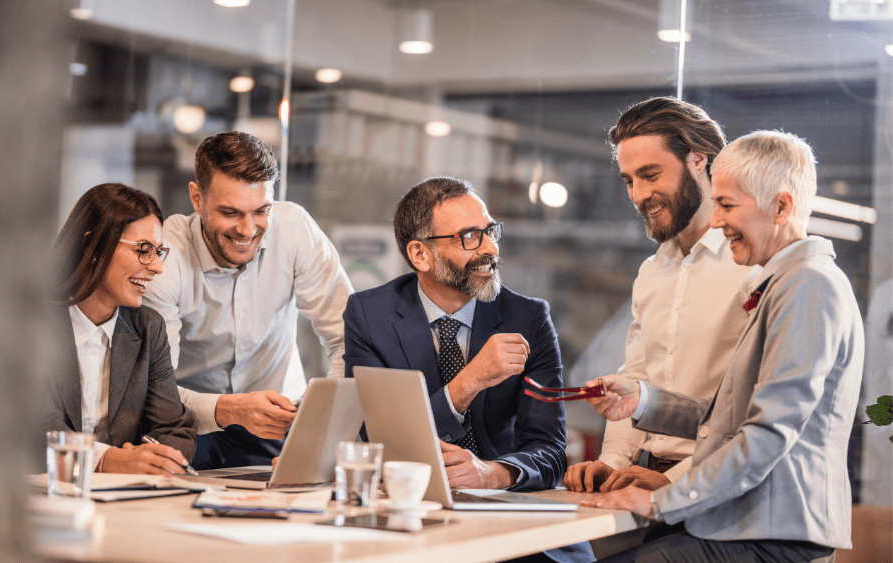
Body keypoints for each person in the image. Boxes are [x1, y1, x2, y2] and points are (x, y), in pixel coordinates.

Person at [585, 131, 863, 563]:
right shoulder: (781, 283)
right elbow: (727, 419)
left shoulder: (810, 286)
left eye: (727, 206)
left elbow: (769, 432)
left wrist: (660, 502)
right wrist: (644, 402)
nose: (715, 221)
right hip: (743, 524)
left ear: (782, 207)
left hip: (775, 534)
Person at [343, 176, 591, 563]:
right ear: (420, 254)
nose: (490, 248)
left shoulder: (528, 318)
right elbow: (376, 440)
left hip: (513, 524)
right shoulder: (369, 315)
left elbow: (551, 451)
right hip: (412, 519)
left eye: (490, 231)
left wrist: (493, 473)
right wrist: (469, 381)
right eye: (469, 236)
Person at [563, 97, 753, 494]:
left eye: (650, 174)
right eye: (629, 180)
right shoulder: (651, 272)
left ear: (699, 160)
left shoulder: (751, 265)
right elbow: (635, 381)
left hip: (721, 483)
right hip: (646, 476)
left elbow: (755, 411)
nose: (637, 195)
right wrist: (611, 463)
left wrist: (672, 480)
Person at [144, 131, 353, 469]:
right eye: (230, 212)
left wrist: (318, 423)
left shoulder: (295, 229)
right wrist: (230, 409)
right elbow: (154, 389)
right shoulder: (165, 258)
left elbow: (348, 340)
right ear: (197, 199)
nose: (247, 229)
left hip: (283, 429)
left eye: (260, 211)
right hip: (190, 428)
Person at [40, 183, 196, 475]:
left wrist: (154, 457)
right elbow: (32, 430)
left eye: (157, 252)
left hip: (121, 498)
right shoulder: (30, 324)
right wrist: (109, 460)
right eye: (143, 250)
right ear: (93, 245)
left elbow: (175, 429)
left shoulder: (148, 328)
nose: (157, 267)